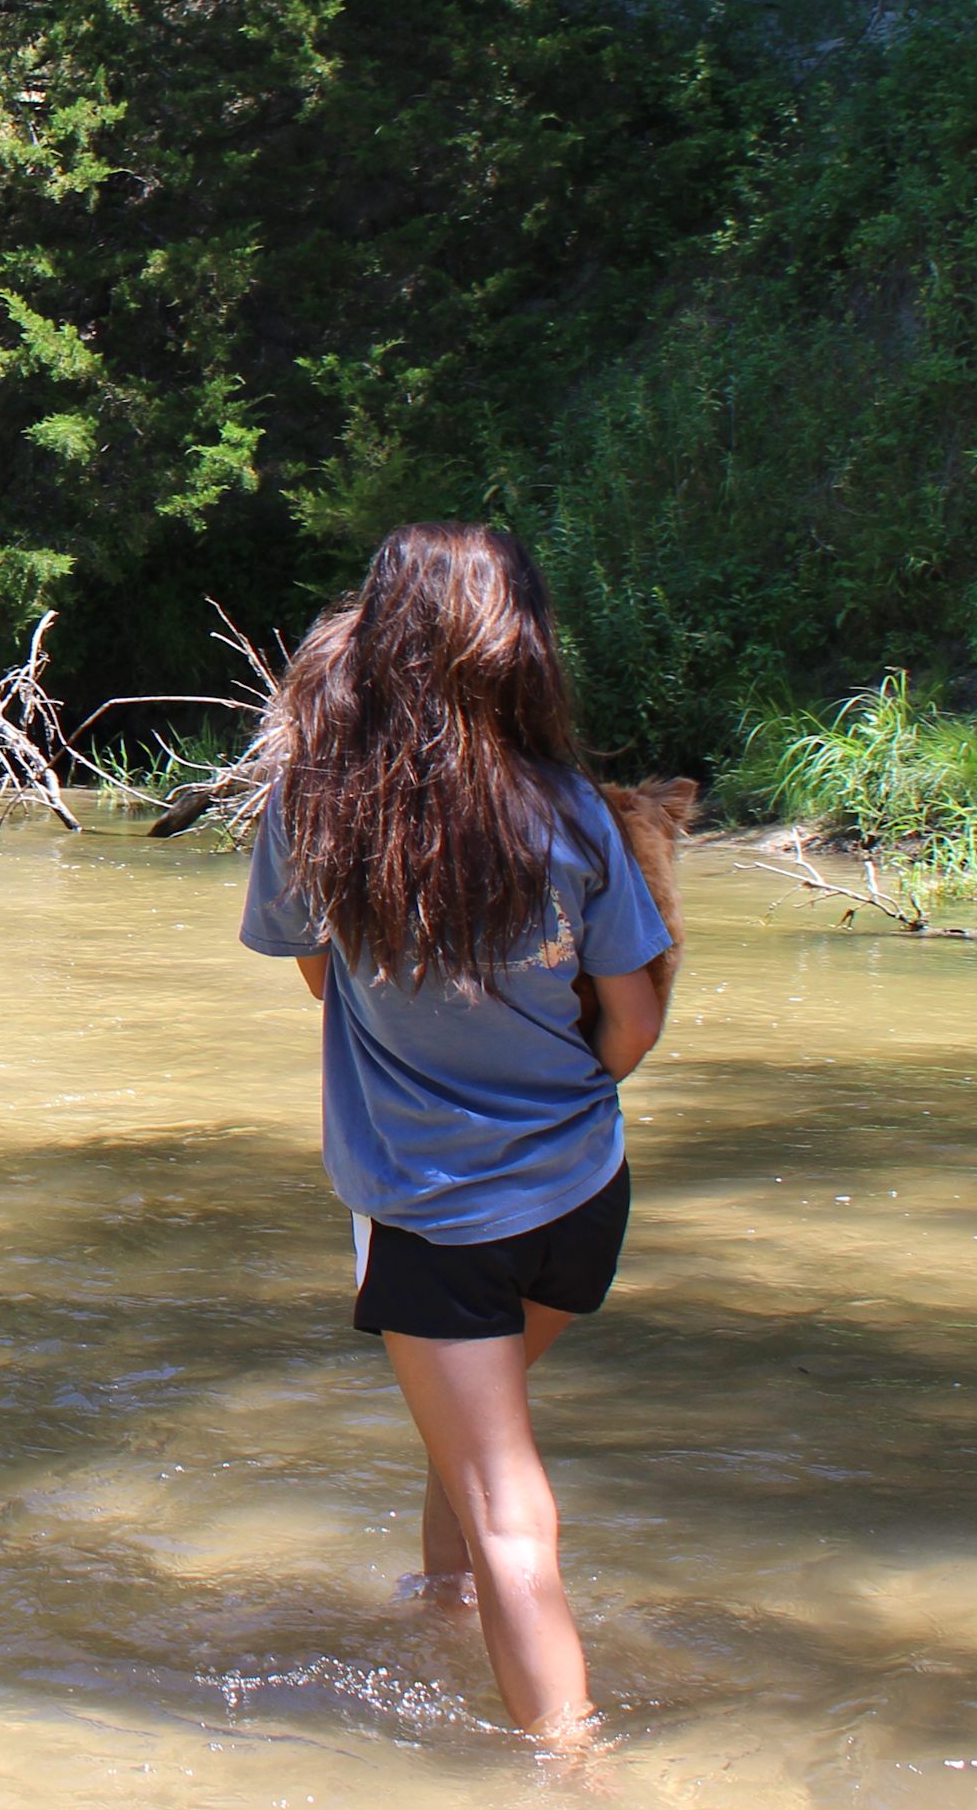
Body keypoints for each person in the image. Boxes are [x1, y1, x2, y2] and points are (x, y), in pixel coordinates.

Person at [236, 521, 673, 1745]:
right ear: (518, 643)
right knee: (478, 1424)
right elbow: (633, 1023)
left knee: (506, 1501)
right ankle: (438, 1605)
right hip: (584, 1194)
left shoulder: (316, 813)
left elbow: (325, 985)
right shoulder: (576, 814)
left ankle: (568, 1760)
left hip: (432, 1210)